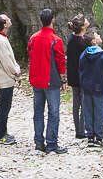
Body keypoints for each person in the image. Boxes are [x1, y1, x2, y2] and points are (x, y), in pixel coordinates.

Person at [28, 8, 68, 154]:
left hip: (36, 80)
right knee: (53, 112)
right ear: (53, 20)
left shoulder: (33, 38)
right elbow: (60, 62)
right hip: (51, 81)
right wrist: (63, 80)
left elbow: (30, 54)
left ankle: (39, 142)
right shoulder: (56, 40)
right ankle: (51, 143)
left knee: (38, 111)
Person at [78, 28, 103, 147]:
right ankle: (99, 136)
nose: (99, 35)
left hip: (86, 88)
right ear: (94, 41)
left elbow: (81, 71)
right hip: (99, 87)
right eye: (97, 35)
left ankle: (90, 135)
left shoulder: (83, 55)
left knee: (88, 111)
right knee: (99, 111)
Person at [0, 13, 21, 144]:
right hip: (5, 78)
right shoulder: (0, 40)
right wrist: (16, 72)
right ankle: (0, 135)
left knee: (4, 107)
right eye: (7, 19)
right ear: (4, 24)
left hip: (5, 77)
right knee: (4, 107)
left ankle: (3, 132)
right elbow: (6, 60)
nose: (10, 19)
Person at [66, 13, 89, 139]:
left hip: (73, 75)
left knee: (76, 103)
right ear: (82, 26)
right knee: (84, 103)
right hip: (82, 76)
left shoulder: (71, 38)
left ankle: (78, 129)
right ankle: (81, 129)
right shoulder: (82, 42)